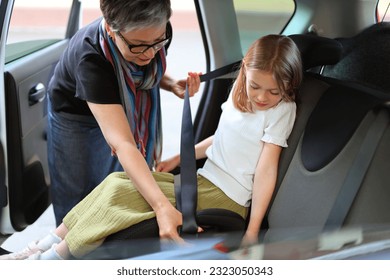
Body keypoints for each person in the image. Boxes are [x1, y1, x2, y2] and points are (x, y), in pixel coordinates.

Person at [0, 34, 302, 260]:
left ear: (288, 86)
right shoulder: (238, 96)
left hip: (228, 196)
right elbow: (223, 140)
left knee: (123, 197)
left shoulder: (281, 110)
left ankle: (50, 260)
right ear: (244, 72)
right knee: (118, 180)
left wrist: (252, 230)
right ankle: (43, 244)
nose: (262, 97)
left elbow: (265, 167)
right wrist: (176, 158)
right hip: (201, 181)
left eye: (274, 91)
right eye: (255, 86)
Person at [47, 0, 201, 226]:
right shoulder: (91, 58)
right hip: (76, 117)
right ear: (111, 29)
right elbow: (124, 144)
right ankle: (65, 249)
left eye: (157, 43)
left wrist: (169, 83)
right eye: (138, 45)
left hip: (123, 104)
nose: (150, 54)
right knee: (76, 193)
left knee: (118, 183)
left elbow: (141, 72)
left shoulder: (159, 31)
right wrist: (161, 207)